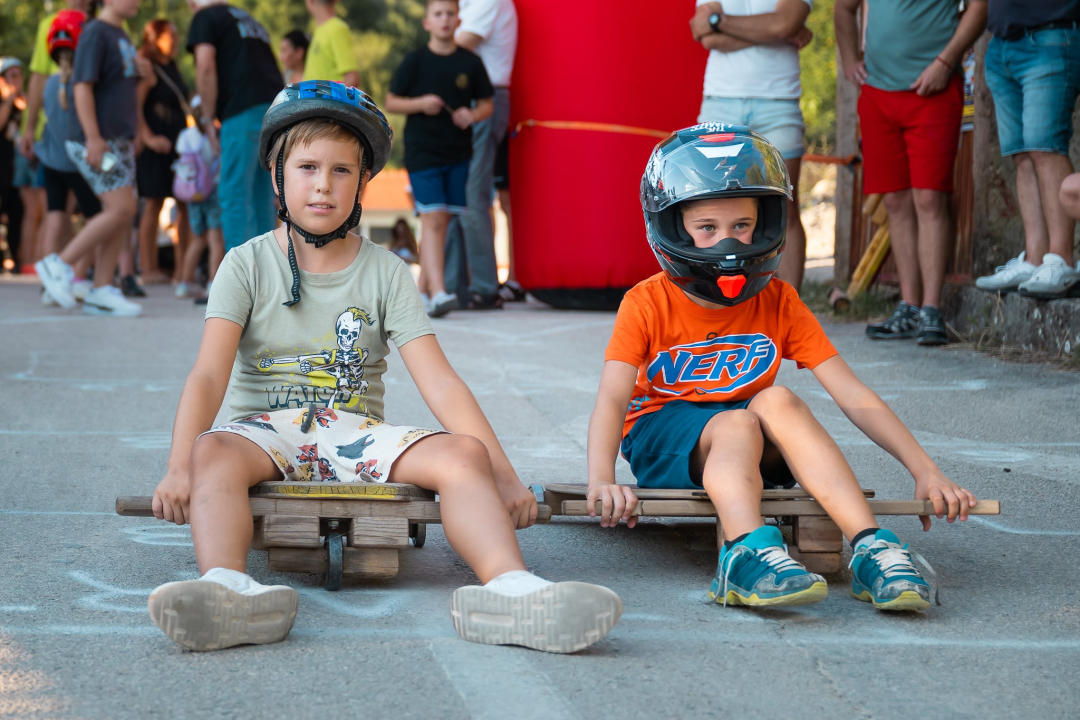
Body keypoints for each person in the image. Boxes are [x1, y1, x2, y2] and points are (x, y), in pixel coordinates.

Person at [147, 80, 622, 653]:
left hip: (355, 433)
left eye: (342, 170)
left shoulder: (386, 271)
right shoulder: (244, 264)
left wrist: (504, 475)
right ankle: (226, 587)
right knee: (212, 451)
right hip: (264, 435)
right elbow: (207, 375)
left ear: (363, 182)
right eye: (307, 166)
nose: (323, 184)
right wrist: (179, 466)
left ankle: (511, 589)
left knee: (462, 454)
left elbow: (440, 381)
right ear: (277, 172)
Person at [588, 125, 978, 610]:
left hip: (751, 439)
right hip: (663, 437)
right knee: (738, 421)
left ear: (766, 223)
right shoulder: (646, 302)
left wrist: (926, 471)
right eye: (707, 227)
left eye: (741, 226)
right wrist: (601, 477)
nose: (727, 243)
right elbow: (612, 397)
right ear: (672, 225)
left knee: (777, 400)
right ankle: (744, 550)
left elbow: (852, 394)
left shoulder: (779, 300)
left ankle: (870, 545)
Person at [836, 0, 987, 345]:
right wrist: (849, 58)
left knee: (930, 198)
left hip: (932, 89)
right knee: (896, 201)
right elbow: (843, 8)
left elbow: (979, 8)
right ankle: (909, 306)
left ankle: (932, 309)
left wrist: (946, 62)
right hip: (877, 94)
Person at [689, 0, 814, 291]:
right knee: (710, 205)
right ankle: (720, 300)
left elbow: (783, 24)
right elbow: (703, 32)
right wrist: (772, 29)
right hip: (719, 101)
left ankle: (791, 311)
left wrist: (719, 20)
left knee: (785, 209)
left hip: (779, 102)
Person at [35, 0, 146, 317]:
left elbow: (118, 89)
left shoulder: (120, 34)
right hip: (98, 138)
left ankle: (101, 290)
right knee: (121, 208)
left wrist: (143, 78)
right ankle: (58, 264)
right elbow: (82, 88)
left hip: (118, 138)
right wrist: (94, 138)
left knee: (121, 213)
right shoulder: (95, 32)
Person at [386, 0, 494, 318]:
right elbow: (391, 101)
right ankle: (439, 291)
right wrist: (421, 103)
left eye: (450, 14)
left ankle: (422, 289)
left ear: (458, 20)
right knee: (432, 219)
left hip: (459, 153)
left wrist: (471, 114)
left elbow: (487, 105)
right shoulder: (415, 61)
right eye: (438, 14)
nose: (445, 20)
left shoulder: (471, 62)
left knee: (443, 222)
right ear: (427, 23)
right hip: (423, 153)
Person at [975, 1, 1080, 299]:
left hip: (1051, 34)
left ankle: (1061, 261)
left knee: (1045, 147)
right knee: (1022, 155)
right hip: (1001, 43)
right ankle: (1035, 259)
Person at [186, 0, 282, 253]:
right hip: (275, 112)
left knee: (234, 194)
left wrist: (207, 120)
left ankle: (240, 282)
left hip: (242, 112)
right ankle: (267, 280)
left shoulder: (205, 17)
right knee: (262, 196)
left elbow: (205, 65)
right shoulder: (249, 19)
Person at [442, 0, 517, 310]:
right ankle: (456, 286)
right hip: (468, 99)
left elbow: (455, 44)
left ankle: (484, 287)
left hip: (484, 98)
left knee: (473, 192)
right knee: (457, 191)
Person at [36, 10, 103, 306]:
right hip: (79, 164)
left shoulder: (50, 83)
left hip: (51, 161)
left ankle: (47, 284)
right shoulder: (84, 84)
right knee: (96, 219)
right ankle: (76, 277)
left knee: (54, 217)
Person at [134, 19, 189, 291]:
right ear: (155, 38)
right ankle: (149, 268)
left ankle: (183, 270)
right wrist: (148, 138)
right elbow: (135, 105)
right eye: (171, 36)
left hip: (179, 148)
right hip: (157, 147)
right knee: (153, 205)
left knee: (185, 204)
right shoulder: (147, 66)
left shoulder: (172, 65)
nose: (176, 40)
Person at [174, 97, 223, 303]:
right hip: (213, 192)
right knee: (215, 240)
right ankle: (214, 283)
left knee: (197, 240)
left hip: (193, 194)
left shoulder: (185, 135)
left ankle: (184, 283)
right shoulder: (214, 136)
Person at [0, 58, 26, 273]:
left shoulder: (23, 102)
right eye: (12, 76)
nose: (18, 80)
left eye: (20, 75)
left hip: (16, 166)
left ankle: (16, 258)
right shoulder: (5, 102)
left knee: (17, 211)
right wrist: (8, 101)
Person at [303, 0, 360, 87]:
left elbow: (352, 79)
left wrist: (325, 100)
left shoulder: (337, 29)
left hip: (323, 101)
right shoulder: (321, 30)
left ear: (310, 1)